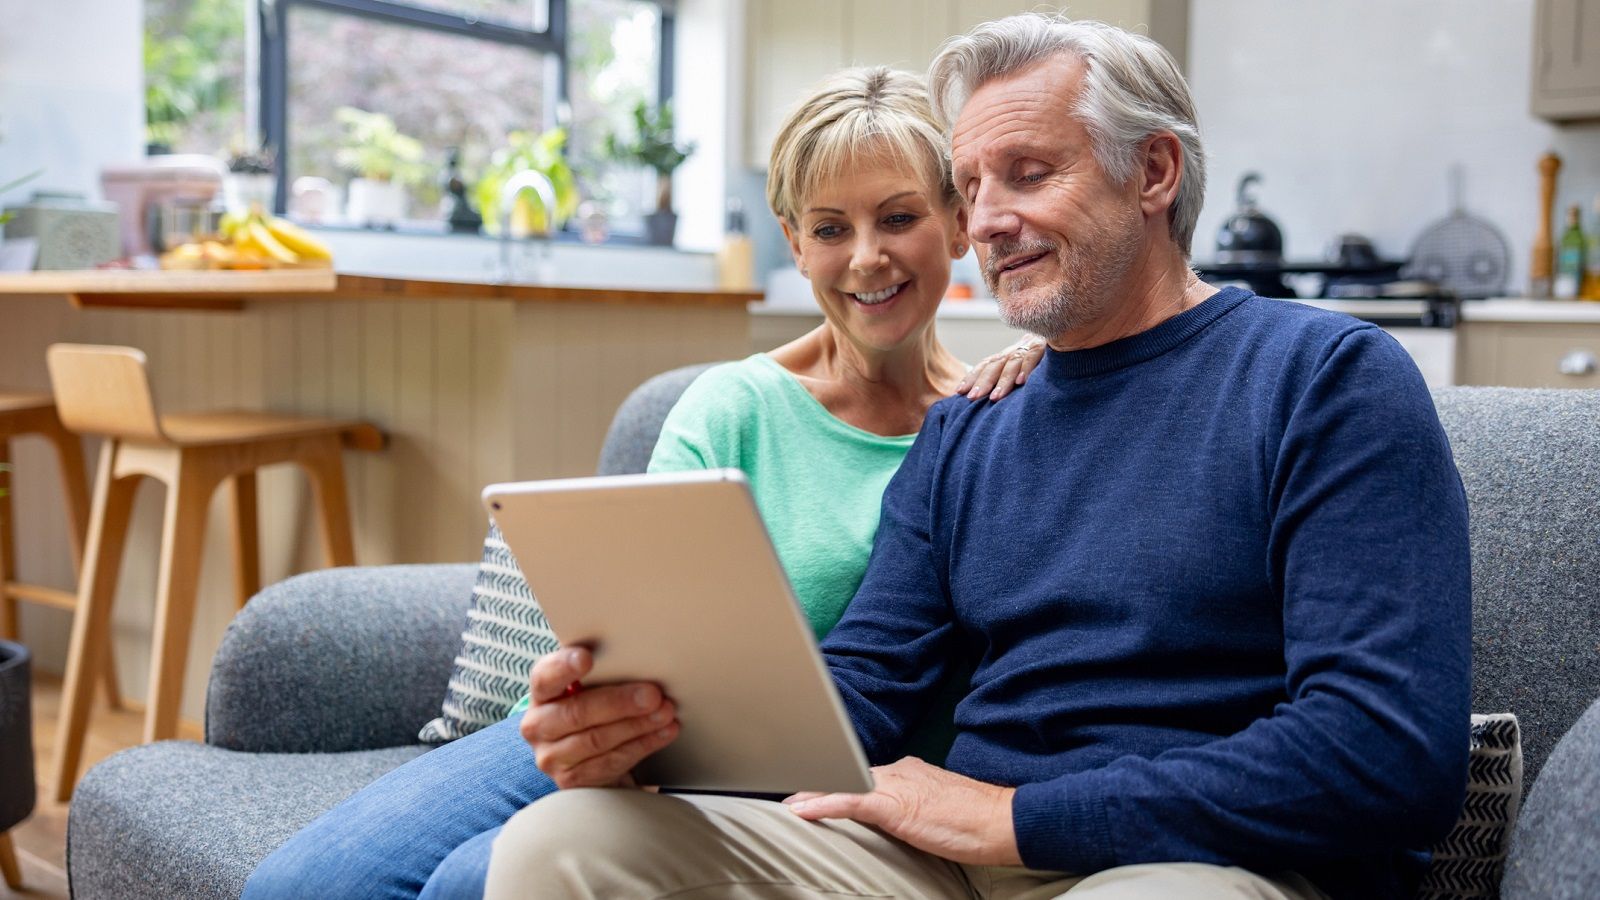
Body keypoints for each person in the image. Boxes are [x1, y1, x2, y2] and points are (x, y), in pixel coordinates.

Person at [488, 14, 1471, 900]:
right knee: (566, 842)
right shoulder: (971, 427)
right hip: (953, 863)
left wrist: (1011, 819)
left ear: (1154, 173)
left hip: (1202, 863)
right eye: (969, 188)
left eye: (1030, 174)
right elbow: (865, 689)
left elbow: (1380, 752)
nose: (986, 221)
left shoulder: (1324, 380)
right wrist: (648, 738)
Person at [239, 68, 1044, 900]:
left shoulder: (993, 419)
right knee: (297, 886)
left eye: (899, 217)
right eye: (830, 227)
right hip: (631, 733)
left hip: (792, 787)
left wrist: (1040, 367)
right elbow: (633, 624)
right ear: (794, 242)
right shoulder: (731, 406)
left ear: (957, 223)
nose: (867, 256)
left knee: (467, 884)